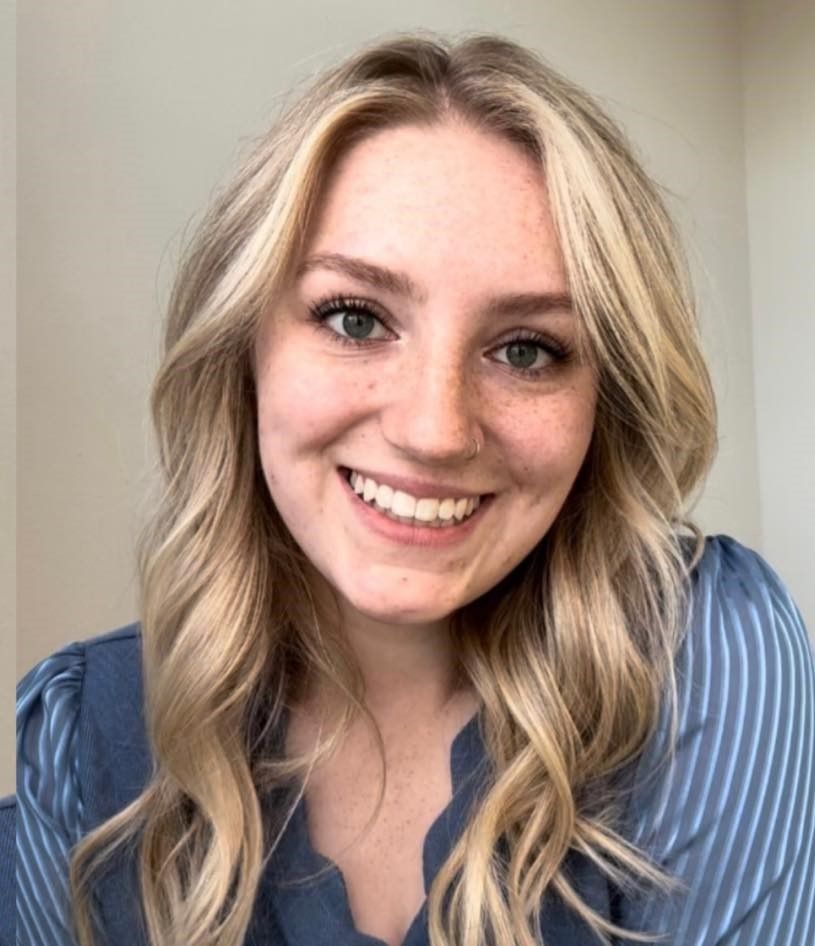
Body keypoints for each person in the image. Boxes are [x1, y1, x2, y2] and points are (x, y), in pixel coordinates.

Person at [8, 32, 815, 946]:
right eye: (355, 319)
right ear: (243, 350)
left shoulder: (705, 656)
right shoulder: (84, 735)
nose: (434, 431)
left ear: (605, 404)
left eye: (525, 350)